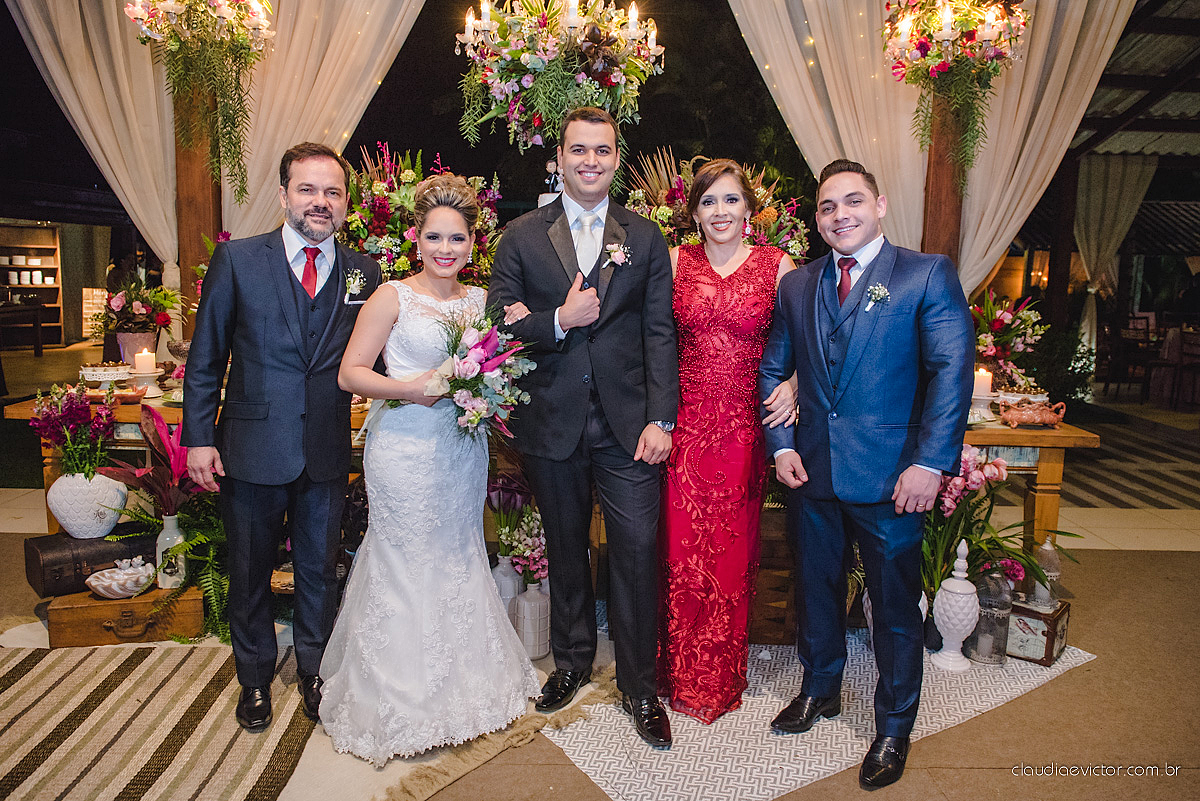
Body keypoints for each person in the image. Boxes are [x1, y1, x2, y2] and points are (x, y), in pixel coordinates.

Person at [759, 159, 973, 789]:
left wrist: (929, 463)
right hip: (813, 473)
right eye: (827, 206)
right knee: (816, 591)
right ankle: (820, 689)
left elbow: (949, 376)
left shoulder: (925, 274)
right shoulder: (798, 285)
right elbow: (775, 369)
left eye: (852, 201)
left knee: (894, 608)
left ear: (879, 205)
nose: (840, 215)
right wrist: (780, 445)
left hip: (892, 481)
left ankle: (894, 725)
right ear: (817, 218)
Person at [318, 175, 538, 765]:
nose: (447, 249)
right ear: (416, 238)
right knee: (402, 556)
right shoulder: (391, 296)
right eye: (435, 237)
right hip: (403, 448)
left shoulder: (476, 302)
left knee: (457, 551)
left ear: (473, 242)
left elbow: (496, 363)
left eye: (458, 239)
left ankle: (463, 691)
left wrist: (494, 378)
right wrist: (407, 389)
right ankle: (396, 699)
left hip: (460, 448)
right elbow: (350, 373)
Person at [487, 106, 680, 749]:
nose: (590, 161)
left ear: (616, 158)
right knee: (566, 549)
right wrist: (559, 320)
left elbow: (659, 331)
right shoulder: (519, 236)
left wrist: (661, 417)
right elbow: (499, 326)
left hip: (629, 428)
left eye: (602, 151)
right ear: (559, 158)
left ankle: (640, 685)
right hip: (552, 422)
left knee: (635, 551)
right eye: (579, 150)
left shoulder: (645, 237)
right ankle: (570, 663)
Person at [184, 143, 382, 732]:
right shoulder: (238, 261)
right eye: (308, 189)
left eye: (332, 192)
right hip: (250, 447)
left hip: (323, 447)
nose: (320, 202)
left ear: (345, 203)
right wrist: (198, 437)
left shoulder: (364, 272)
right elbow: (205, 358)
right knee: (247, 571)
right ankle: (253, 680)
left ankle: (316, 672)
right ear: (283, 195)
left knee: (321, 569)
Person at [658, 159, 798, 723]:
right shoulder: (673, 262)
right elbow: (652, 343)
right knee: (680, 550)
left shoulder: (777, 266)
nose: (720, 212)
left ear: (748, 208)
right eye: (709, 202)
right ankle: (676, 671)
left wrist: (795, 386)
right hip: (685, 427)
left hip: (744, 429)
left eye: (731, 200)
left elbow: (811, 339)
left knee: (733, 552)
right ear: (694, 212)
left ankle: (719, 673)